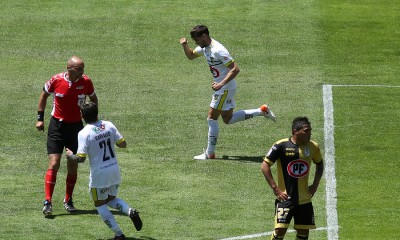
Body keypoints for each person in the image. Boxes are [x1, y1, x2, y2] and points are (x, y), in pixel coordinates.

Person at [179, 25, 276, 160]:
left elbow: (235, 69)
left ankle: (209, 154)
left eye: (197, 40)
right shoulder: (204, 47)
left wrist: (220, 84)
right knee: (227, 119)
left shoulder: (218, 50)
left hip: (225, 88)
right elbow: (190, 56)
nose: (196, 43)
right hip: (225, 87)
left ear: (204, 36)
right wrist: (185, 45)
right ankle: (262, 110)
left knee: (211, 118)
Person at [65, 102, 142, 240]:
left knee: (99, 204)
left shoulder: (84, 133)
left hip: (99, 174)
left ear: (82, 116)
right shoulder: (109, 125)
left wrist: (70, 155)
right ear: (97, 112)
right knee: (111, 199)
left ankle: (119, 234)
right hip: (114, 170)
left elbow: (81, 159)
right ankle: (130, 211)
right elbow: (123, 144)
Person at [36, 56, 98, 216]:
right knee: (54, 163)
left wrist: (93, 120)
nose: (83, 72)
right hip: (57, 127)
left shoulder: (86, 82)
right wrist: (40, 119)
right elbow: (43, 95)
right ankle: (48, 201)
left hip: (76, 128)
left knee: (72, 164)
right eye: (80, 69)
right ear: (70, 69)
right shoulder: (56, 80)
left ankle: (68, 199)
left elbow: (93, 98)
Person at [261, 117, 324, 240]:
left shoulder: (313, 146)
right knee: (279, 231)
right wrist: (275, 189)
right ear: (295, 131)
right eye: (306, 130)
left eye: (310, 130)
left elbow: (319, 163)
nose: (309, 133)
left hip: (304, 199)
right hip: (285, 198)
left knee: (303, 232)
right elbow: (264, 165)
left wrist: (315, 184)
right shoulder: (280, 145)